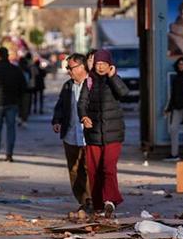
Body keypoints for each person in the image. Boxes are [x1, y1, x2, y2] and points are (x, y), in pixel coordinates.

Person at [79, 49, 129, 217]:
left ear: (110, 65)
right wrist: (83, 116)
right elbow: (82, 102)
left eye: (103, 64)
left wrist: (113, 77)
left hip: (113, 133)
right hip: (93, 134)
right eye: (98, 64)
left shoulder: (114, 79)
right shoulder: (89, 81)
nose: (100, 67)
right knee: (93, 170)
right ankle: (98, 204)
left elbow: (124, 93)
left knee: (108, 167)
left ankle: (110, 200)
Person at [51, 54, 91, 212]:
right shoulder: (68, 86)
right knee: (74, 169)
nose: (68, 71)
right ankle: (83, 200)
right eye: (67, 68)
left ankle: (92, 200)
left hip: (88, 136)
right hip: (70, 134)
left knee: (88, 168)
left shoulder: (92, 84)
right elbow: (60, 105)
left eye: (70, 68)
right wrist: (56, 120)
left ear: (81, 67)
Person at [0, 47, 26, 162]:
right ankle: (9, 154)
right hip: (12, 102)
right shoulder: (15, 69)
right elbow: (23, 85)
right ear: (7, 55)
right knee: (11, 128)